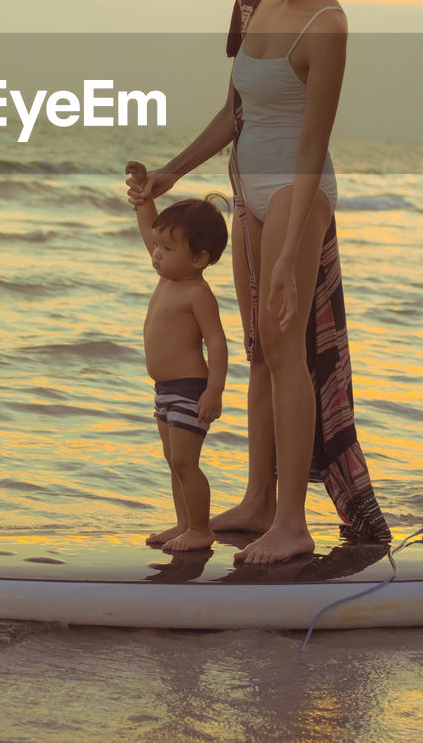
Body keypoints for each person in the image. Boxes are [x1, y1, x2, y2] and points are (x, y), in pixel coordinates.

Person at [127, 0, 389, 565]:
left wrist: (288, 249)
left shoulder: (327, 26)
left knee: (286, 349)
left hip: (298, 192)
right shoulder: (249, 4)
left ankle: (293, 525)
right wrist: (174, 173)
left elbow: (311, 144)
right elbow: (234, 110)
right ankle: (258, 502)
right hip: (248, 192)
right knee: (257, 350)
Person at [126, 163, 229, 553]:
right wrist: (143, 194)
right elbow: (149, 228)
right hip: (165, 389)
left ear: (200, 258)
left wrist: (214, 392)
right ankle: (184, 523)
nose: (155, 254)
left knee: (186, 462)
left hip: (189, 390)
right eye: (157, 246)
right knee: (174, 461)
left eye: (167, 249)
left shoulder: (196, 293)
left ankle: (201, 529)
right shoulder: (169, 276)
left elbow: (217, 345)